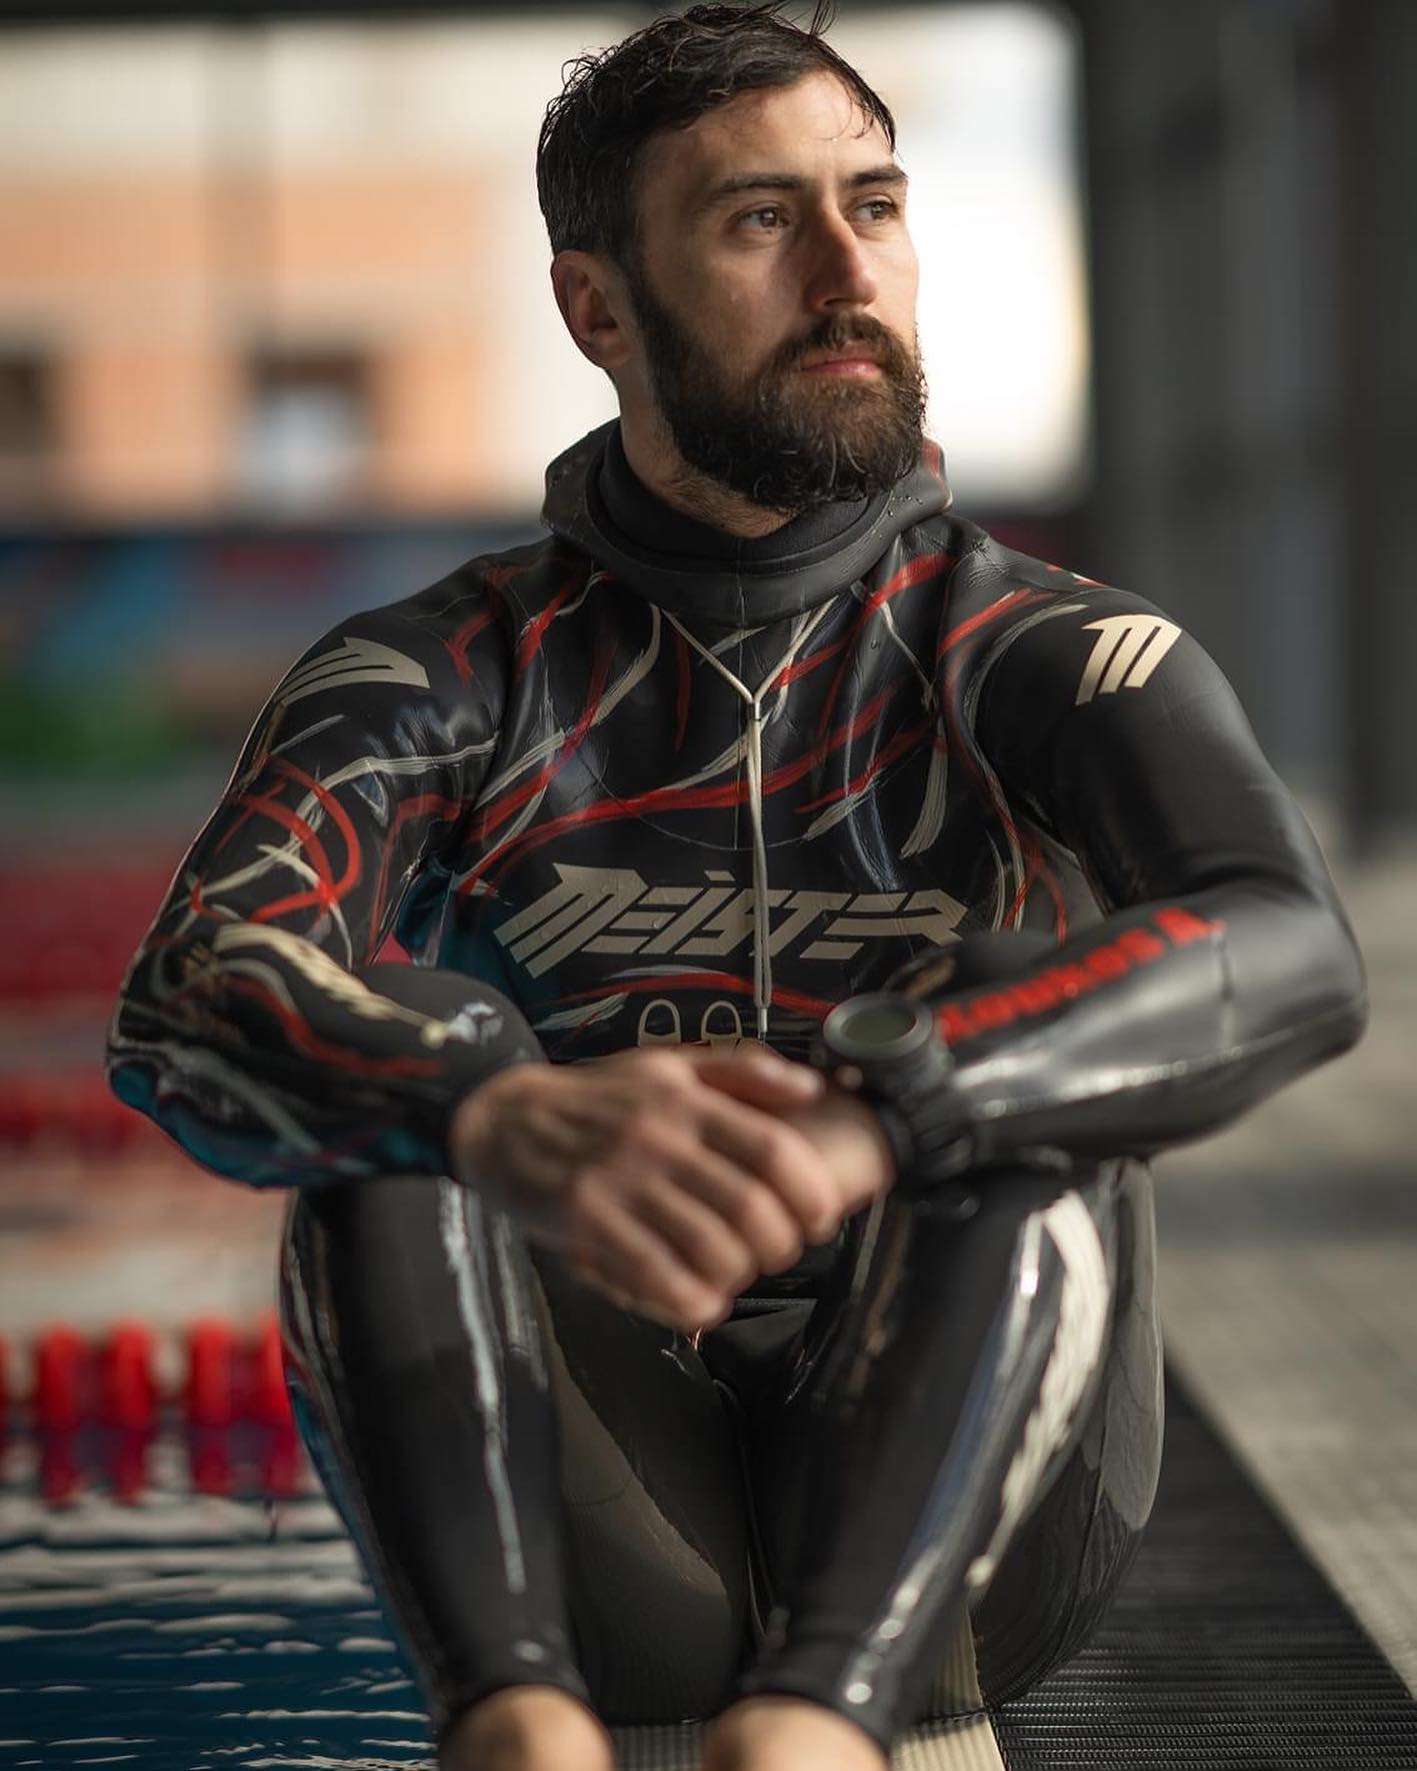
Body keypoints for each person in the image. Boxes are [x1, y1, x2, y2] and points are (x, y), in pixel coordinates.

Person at [106, 5, 1367, 1769]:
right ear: (597, 306)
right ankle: (514, 1727)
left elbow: (1292, 949)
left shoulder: (1051, 656)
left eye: (876, 203)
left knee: (1014, 1032)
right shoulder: (440, 670)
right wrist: (502, 1113)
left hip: (977, 1544)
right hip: (612, 1532)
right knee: (404, 1068)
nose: (849, 269)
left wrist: (886, 1105)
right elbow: (188, 988)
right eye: (761, 220)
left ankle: (816, 1726)